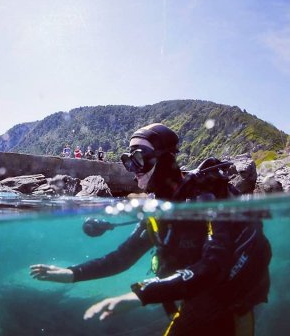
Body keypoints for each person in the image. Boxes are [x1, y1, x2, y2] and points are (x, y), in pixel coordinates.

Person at [30, 123, 271, 336]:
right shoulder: (158, 210)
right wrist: (71, 273)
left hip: (228, 292)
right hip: (195, 293)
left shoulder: (205, 197)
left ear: (164, 158)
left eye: (139, 158)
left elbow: (213, 266)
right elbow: (122, 258)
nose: (133, 168)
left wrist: (142, 294)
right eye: (128, 160)